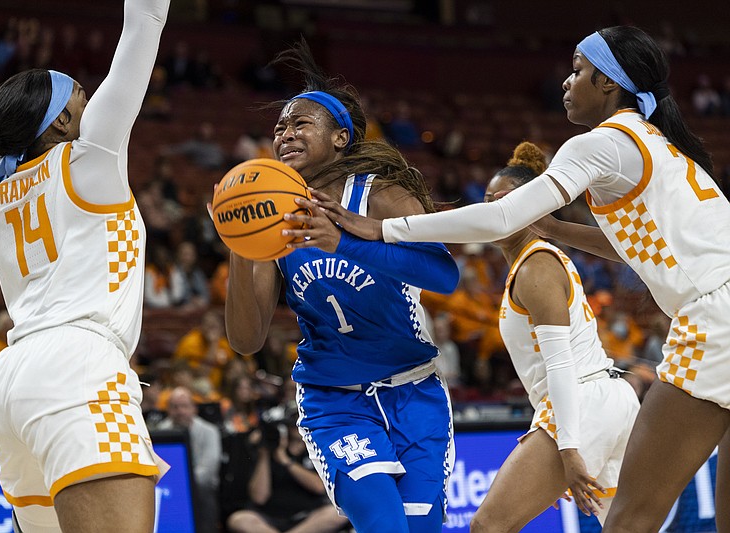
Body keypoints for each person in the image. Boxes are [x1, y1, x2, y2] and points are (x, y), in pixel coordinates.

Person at [298, 26, 730, 533]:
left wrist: (382, 229)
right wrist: (555, 225)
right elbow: (631, 248)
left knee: (632, 516)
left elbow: (500, 219)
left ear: (610, 84)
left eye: (577, 70)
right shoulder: (658, 144)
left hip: (713, 318)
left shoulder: (604, 142)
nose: (566, 82)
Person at [0, 1, 171, 531]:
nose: (92, 103)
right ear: (62, 117)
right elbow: (144, 21)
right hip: (78, 368)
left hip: (15, 382)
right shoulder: (92, 158)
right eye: (82, 97)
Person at [223, 39, 460, 533]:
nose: (285, 133)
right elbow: (247, 340)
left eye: (300, 123)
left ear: (340, 138)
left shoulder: (381, 195)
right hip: (335, 399)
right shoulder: (271, 222)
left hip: (412, 390)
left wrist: (344, 242)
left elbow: (444, 276)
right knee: (384, 526)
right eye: (279, 127)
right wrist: (238, 240)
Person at [468, 142, 641, 530]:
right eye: (487, 199)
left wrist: (568, 449)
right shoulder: (537, 260)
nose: (493, 207)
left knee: (488, 526)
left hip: (580, 401)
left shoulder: (535, 266)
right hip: (607, 397)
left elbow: (560, 364)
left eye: (504, 199)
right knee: (624, 527)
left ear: (534, 206)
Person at [225, 405, 351, 533]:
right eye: (293, 421)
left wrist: (286, 461)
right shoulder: (270, 450)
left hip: (308, 516)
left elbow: (319, 487)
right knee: (239, 519)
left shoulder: (318, 451)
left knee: (336, 514)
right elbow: (259, 497)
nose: (297, 425)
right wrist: (265, 455)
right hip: (270, 516)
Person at [157, 386, 222, 533]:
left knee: (204, 491)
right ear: (168, 410)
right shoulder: (161, 431)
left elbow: (208, 472)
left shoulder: (209, 431)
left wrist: (183, 483)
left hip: (200, 490)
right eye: (175, 407)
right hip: (170, 488)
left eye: (184, 406)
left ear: (194, 408)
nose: (180, 412)